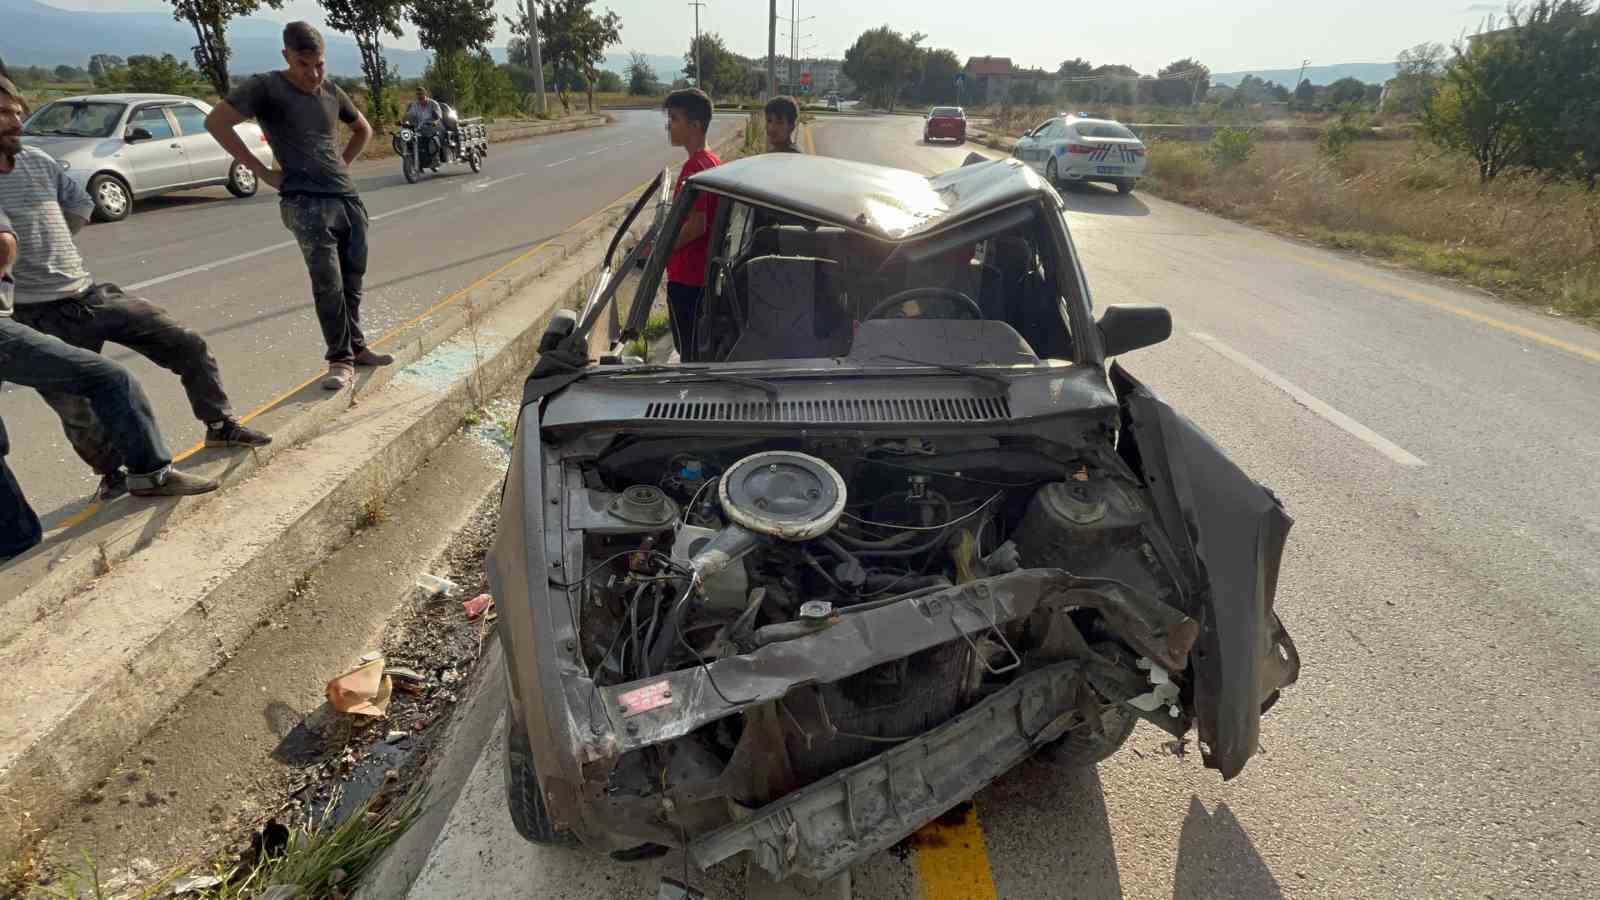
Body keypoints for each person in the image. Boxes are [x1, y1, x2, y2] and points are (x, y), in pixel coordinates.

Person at [0, 74, 261, 500]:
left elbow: (80, 204)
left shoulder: (38, 161)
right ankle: (115, 474)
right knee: (77, 408)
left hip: (89, 294)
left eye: (15, 111)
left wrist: (55, 247)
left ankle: (220, 425)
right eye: (2, 114)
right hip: (35, 313)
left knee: (186, 343)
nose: (14, 121)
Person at [1, 185, 217, 557]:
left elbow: (73, 207)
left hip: (83, 295)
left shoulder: (37, 161)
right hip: (24, 318)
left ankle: (15, 548)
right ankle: (144, 475)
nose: (17, 128)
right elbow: (4, 242)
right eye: (10, 125)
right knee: (106, 380)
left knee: (163, 352)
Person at [206, 21, 391, 391]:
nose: (313, 73)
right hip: (304, 202)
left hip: (346, 198)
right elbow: (217, 122)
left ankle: (357, 346)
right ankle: (339, 360)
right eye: (304, 64)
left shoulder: (332, 92)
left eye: (319, 64)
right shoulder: (266, 87)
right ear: (287, 56)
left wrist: (342, 164)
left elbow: (363, 130)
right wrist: (260, 171)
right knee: (328, 282)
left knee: (352, 280)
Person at [662, 89, 721, 361]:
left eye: (674, 118)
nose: (668, 125)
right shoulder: (712, 160)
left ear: (695, 125)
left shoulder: (695, 167)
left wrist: (661, 249)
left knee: (689, 355)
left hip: (688, 279)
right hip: (701, 277)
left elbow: (697, 225)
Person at [403, 86, 448, 163]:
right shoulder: (415, 105)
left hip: (435, 127)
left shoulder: (433, 103)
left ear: (425, 94)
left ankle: (438, 156)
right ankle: (419, 158)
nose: (419, 96)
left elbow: (439, 116)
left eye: (421, 94)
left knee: (434, 140)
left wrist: (435, 122)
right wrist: (402, 121)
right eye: (417, 94)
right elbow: (408, 115)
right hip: (421, 128)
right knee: (411, 139)